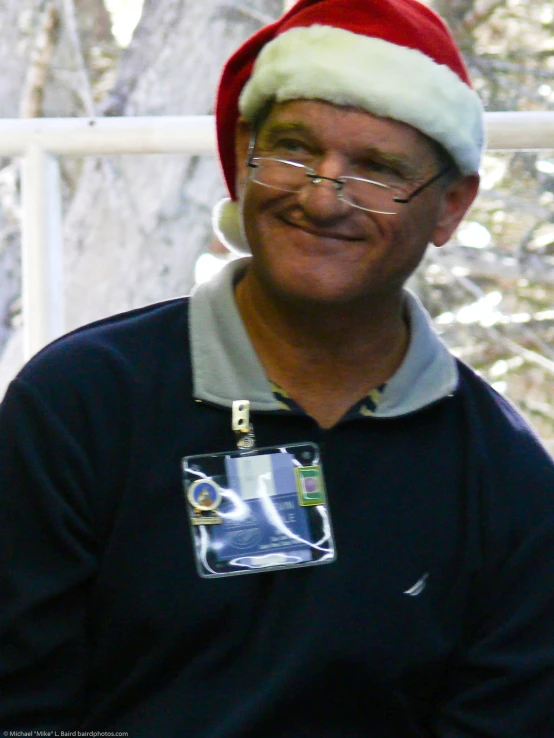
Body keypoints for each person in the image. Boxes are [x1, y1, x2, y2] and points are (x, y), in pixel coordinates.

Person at [1, 0, 554, 735]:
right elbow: (23, 708)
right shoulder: (80, 404)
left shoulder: (508, 481)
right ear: (241, 152)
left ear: (451, 206)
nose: (322, 196)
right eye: (293, 149)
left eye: (379, 169)